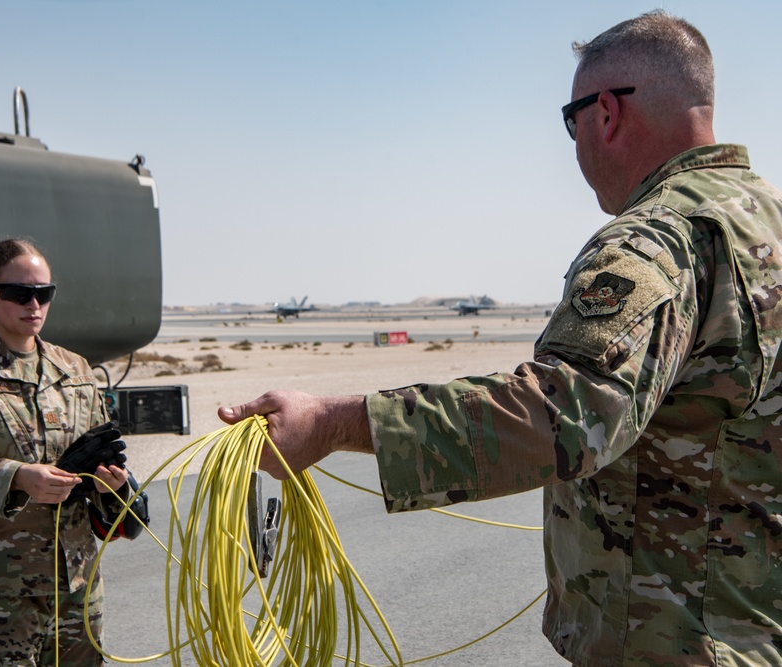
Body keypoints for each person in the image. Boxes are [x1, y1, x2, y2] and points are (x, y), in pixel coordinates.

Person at [220, 11, 782, 667]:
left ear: (605, 113)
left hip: (672, 641)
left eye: (570, 123)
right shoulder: (763, 224)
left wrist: (330, 423)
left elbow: (564, 413)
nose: (574, 146)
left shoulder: (656, 238)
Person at [0, 238, 129, 666]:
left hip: (76, 583)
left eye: (44, 293)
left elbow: (100, 451)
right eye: (19, 293)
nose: (34, 304)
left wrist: (111, 484)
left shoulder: (76, 371)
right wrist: (18, 478)